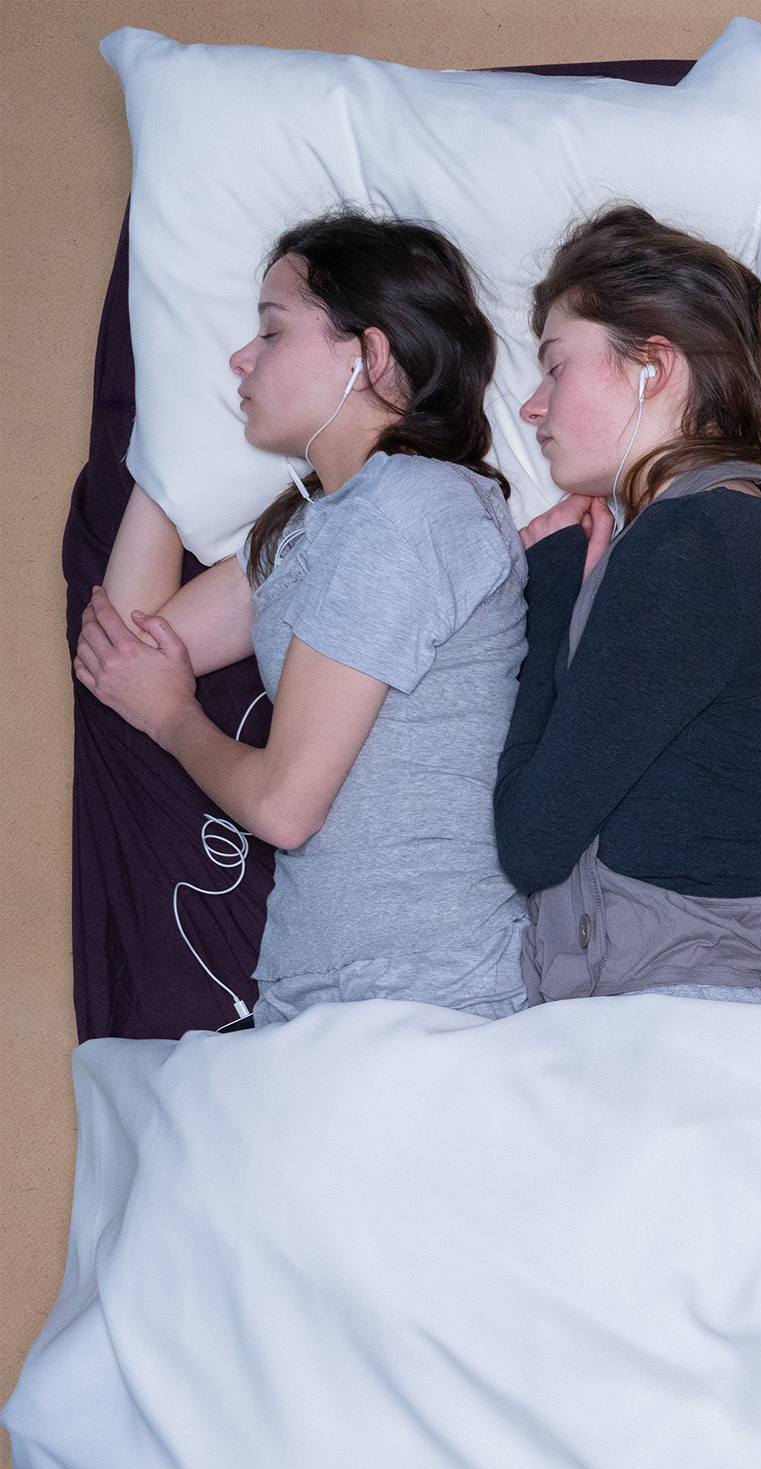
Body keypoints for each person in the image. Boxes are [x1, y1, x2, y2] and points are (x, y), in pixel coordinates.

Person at [74, 212, 528, 1025]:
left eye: (272, 334)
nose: (240, 359)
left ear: (371, 356)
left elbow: (285, 804)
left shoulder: (409, 512)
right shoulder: (321, 524)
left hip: (426, 980)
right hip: (321, 982)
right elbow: (127, 648)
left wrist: (175, 716)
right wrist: (172, 455)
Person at [495, 206, 761, 1007]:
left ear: (654, 364)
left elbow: (532, 837)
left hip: (677, 1002)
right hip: (687, 991)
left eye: (556, 366)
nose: (532, 407)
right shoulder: (744, 524)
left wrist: (548, 580)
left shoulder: (696, 541)